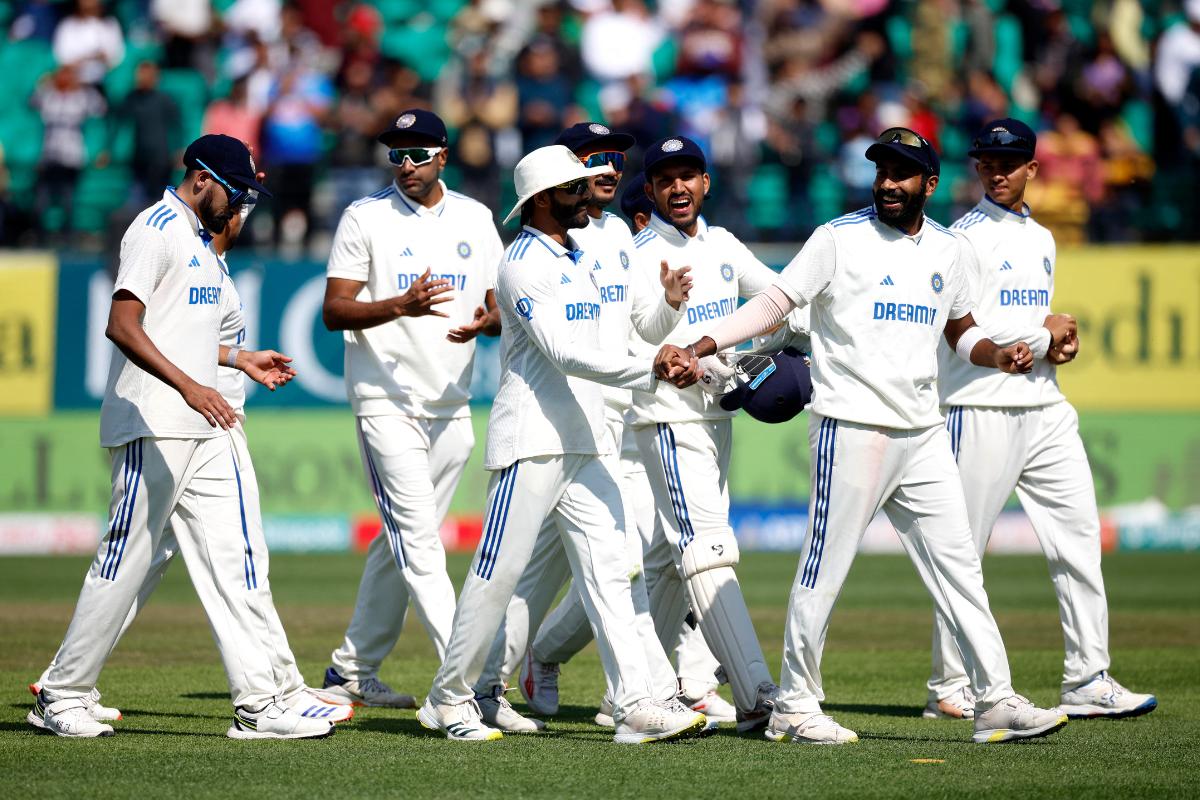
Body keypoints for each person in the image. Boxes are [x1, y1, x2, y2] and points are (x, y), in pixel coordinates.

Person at [658, 127, 1076, 745]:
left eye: (902, 173)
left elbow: (960, 331)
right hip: (852, 427)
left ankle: (994, 698)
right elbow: (772, 304)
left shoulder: (947, 250)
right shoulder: (837, 238)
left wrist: (999, 353)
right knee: (824, 570)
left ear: (929, 185)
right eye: (881, 170)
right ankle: (797, 705)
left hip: (924, 431)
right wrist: (702, 342)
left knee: (961, 568)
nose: (887, 182)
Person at [29, 134, 332, 740]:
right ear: (201, 178)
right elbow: (123, 324)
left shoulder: (198, 240)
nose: (242, 205)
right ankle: (61, 695)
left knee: (236, 557)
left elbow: (181, 330)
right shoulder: (156, 227)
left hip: (202, 426)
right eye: (237, 191)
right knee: (124, 560)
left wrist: (235, 358)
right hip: (152, 419)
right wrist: (191, 386)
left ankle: (260, 704)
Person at [418, 144, 705, 744]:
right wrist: (652, 366)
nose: (589, 194)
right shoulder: (522, 261)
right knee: (497, 574)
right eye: (576, 188)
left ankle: (633, 705)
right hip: (532, 443)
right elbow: (564, 352)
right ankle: (448, 700)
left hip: (588, 440)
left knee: (613, 573)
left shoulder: (584, 254)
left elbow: (621, 336)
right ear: (544, 199)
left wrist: (666, 319)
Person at [924, 118, 1157, 721]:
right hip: (979, 407)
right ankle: (950, 686)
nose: (997, 172)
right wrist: (1043, 331)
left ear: (1033, 167)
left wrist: (1058, 344)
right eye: (986, 162)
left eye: (1009, 162)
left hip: (1046, 406)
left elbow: (1033, 322)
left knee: (1079, 539)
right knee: (962, 551)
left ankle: (1087, 679)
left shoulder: (1045, 238)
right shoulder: (963, 240)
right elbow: (960, 329)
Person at [315, 109, 502, 709]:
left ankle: (351, 669)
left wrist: (489, 322)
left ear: (443, 155)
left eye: (418, 153)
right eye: (396, 153)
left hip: (451, 404)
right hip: (385, 399)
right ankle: (464, 685)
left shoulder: (475, 216)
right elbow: (334, 310)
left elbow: (500, 306)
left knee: (399, 543)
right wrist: (399, 305)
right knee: (420, 543)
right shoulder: (364, 216)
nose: (406, 164)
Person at [627, 135, 784, 733]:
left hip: (717, 420)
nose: (678, 187)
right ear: (651, 190)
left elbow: (778, 302)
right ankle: (756, 694)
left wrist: (765, 357)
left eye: (688, 175)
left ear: (706, 182)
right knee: (708, 550)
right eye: (666, 179)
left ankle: (641, 689)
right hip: (667, 417)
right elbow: (635, 338)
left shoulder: (723, 245)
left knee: (670, 563)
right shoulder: (640, 254)